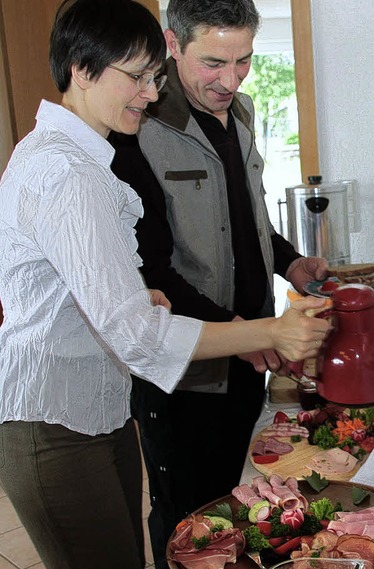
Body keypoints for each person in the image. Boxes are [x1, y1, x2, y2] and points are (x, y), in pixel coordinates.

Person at [0, 1, 330, 568]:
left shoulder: (84, 160)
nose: (152, 95)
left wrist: (137, 297)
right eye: (138, 77)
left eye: (153, 79)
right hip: (53, 419)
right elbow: (136, 333)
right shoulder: (67, 173)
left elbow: (96, 287)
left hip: (97, 412)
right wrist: (268, 329)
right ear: (81, 68)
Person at [109, 1, 329, 566]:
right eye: (213, 63)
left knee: (243, 505)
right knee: (189, 523)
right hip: (185, 371)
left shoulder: (243, 113)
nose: (230, 81)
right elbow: (149, 270)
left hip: (248, 353)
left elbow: (246, 218)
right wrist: (245, 331)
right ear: (173, 44)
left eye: (244, 61)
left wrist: (290, 264)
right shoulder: (139, 130)